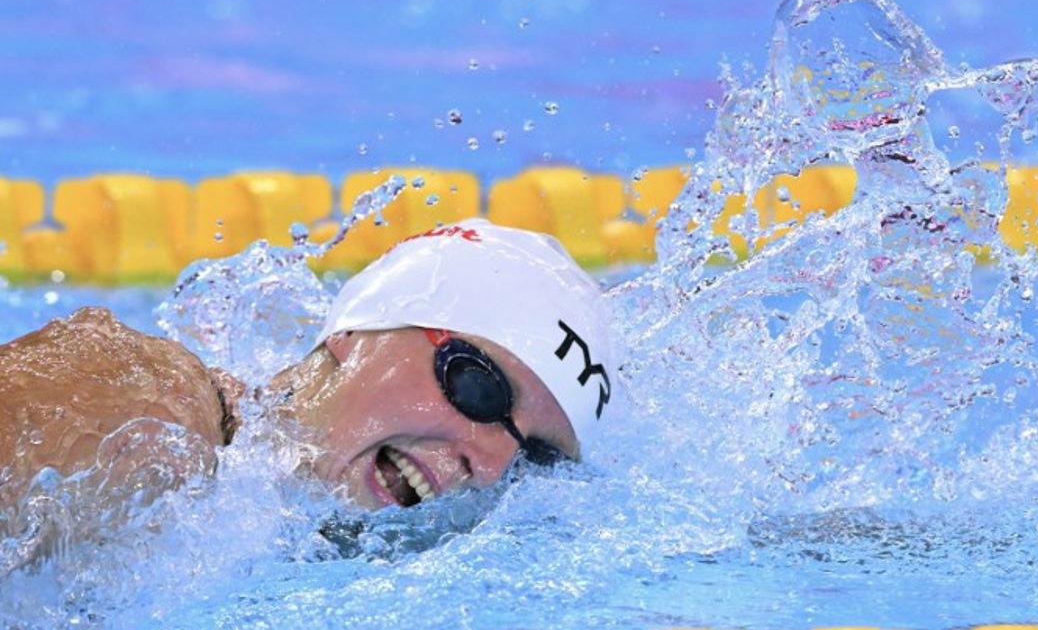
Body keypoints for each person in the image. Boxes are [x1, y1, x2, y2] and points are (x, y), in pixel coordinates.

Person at [0, 219, 617, 512]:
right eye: (478, 387)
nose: (489, 464)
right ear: (357, 332)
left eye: (535, 458)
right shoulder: (144, 411)